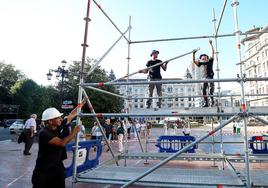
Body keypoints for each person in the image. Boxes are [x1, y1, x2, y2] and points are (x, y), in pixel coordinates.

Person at [32, 98, 87, 188]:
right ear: (50, 121)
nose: (61, 119)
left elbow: (71, 115)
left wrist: (81, 104)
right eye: (58, 118)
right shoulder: (44, 133)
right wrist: (74, 132)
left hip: (57, 166)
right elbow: (61, 143)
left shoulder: (57, 126)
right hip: (44, 169)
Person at [193, 40, 215, 107]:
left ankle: (212, 99)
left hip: (210, 77)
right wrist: (194, 53)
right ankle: (206, 102)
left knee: (211, 88)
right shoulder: (200, 63)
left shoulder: (210, 61)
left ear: (207, 58)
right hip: (204, 78)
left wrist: (211, 45)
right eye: (202, 58)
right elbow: (194, 61)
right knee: (203, 90)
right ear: (201, 59)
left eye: (205, 57)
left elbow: (213, 53)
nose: (204, 58)